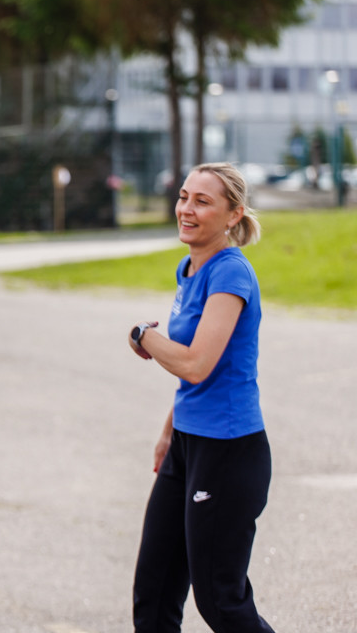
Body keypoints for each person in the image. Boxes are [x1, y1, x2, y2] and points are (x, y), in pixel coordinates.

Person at [127, 163, 275, 632]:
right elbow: (195, 378)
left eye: (202, 201)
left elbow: (195, 364)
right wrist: (169, 431)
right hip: (187, 444)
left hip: (228, 451)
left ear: (234, 215)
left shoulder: (231, 273)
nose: (186, 209)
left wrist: (143, 335)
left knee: (221, 601)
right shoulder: (190, 267)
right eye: (184, 197)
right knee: (154, 595)